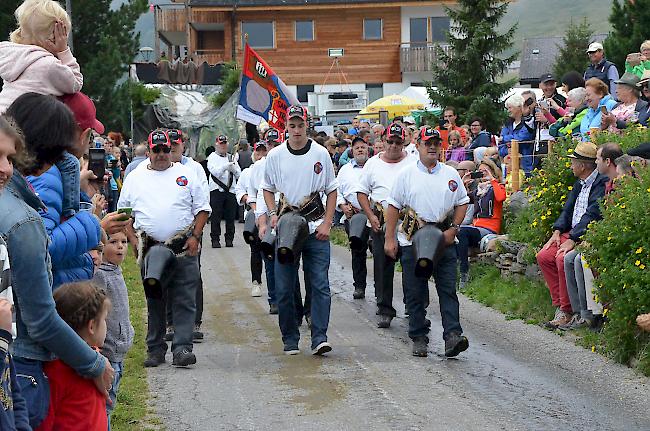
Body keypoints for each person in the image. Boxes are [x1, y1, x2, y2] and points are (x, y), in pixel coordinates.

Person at [0, 112, 114, 428]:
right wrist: (94, 363)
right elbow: (40, 319)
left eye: (9, 157)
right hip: (23, 363)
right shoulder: (22, 221)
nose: (5, 168)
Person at [119, 130, 210, 368]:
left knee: (185, 299)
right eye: (156, 150)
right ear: (148, 151)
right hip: (150, 248)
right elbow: (123, 214)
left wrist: (196, 236)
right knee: (155, 299)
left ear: (172, 150)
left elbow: (203, 208)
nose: (161, 154)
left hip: (182, 247)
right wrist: (132, 240)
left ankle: (182, 349)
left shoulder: (186, 174)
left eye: (165, 150)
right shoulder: (135, 177)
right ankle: (155, 349)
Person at [258, 105, 338, 356]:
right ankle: (290, 337)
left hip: (314, 226)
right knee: (284, 287)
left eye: (300, 125)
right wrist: (272, 214)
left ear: (307, 126)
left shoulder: (321, 153)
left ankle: (319, 337)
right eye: (291, 126)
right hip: (287, 226)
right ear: (285, 127)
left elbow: (332, 189)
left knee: (320, 284)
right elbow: (267, 187)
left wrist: (327, 222)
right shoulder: (275, 156)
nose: (296, 130)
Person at [384, 126, 470, 357]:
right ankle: (418, 336)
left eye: (436, 143)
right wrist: (389, 238)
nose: (432, 147)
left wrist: (455, 228)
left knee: (447, 289)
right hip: (413, 239)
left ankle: (453, 336)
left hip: (443, 238)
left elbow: (462, 201)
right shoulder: (406, 175)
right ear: (418, 146)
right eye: (427, 143)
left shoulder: (450, 174)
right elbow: (393, 207)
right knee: (415, 291)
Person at [536, 142, 607, 328]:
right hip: (571, 232)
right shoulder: (579, 183)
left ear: (583, 165)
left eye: (573, 162)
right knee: (544, 256)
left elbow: (593, 214)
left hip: (585, 234)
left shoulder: (600, 184)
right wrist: (557, 231)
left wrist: (574, 239)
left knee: (562, 259)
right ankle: (560, 306)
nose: (571, 165)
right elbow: (567, 210)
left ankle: (568, 310)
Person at [357, 122, 417, 328]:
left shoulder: (413, 162)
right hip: (381, 220)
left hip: (408, 222)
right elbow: (362, 192)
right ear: (383, 142)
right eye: (390, 142)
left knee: (412, 265)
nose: (393, 146)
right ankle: (384, 308)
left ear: (404, 143)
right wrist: (369, 215)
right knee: (383, 266)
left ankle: (414, 303)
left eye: (397, 143)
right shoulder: (373, 164)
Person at [39, 282, 111, 431]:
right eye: (104, 319)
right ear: (91, 326)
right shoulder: (56, 371)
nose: (106, 324)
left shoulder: (95, 358)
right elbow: (44, 421)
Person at [0, 0, 82, 113]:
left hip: (4, 121)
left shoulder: (11, 56)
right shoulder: (49, 66)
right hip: (23, 127)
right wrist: (63, 50)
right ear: (54, 38)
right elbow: (76, 83)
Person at [91, 230, 133, 427]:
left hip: (120, 352)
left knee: (110, 402)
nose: (120, 246)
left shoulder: (117, 271)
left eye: (124, 242)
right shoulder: (100, 276)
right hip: (108, 352)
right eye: (113, 242)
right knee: (104, 405)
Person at [456, 158, 505, 288]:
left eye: (485, 171)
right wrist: (463, 184)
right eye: (480, 172)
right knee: (453, 231)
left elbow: (501, 197)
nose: (482, 174)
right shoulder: (479, 190)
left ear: (492, 171)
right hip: (476, 228)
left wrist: (492, 179)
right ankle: (452, 271)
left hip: (489, 229)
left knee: (462, 231)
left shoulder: (497, 187)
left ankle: (464, 271)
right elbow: (462, 199)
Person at [249, 128, 281, 314]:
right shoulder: (260, 166)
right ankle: (274, 298)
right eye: (270, 144)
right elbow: (258, 192)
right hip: (267, 215)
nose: (273, 147)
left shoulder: (288, 159)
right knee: (269, 257)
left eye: (276, 143)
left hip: (286, 214)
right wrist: (261, 221)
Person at [336, 136, 370, 299]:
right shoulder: (345, 170)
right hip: (354, 215)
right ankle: (359, 286)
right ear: (352, 151)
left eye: (363, 147)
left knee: (379, 254)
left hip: (375, 215)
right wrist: (342, 205)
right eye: (357, 148)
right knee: (358, 251)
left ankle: (381, 289)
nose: (360, 150)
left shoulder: (375, 166)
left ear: (368, 148)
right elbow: (336, 191)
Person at [235, 145, 263, 297]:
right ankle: (256, 282)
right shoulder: (247, 172)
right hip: (253, 216)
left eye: (263, 151)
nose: (260, 154)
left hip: (270, 215)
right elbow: (239, 190)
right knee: (255, 250)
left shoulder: (272, 169)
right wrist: (248, 199)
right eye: (258, 151)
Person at [207, 134, 241, 248]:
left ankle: (229, 239)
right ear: (216, 144)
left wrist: (234, 169)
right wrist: (226, 167)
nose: (223, 146)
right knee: (216, 217)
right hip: (216, 190)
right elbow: (214, 172)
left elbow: (239, 174)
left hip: (231, 190)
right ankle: (215, 239)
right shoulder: (212, 157)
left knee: (230, 217)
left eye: (225, 143)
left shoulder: (232, 157)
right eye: (221, 143)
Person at [499, 93, 536, 176]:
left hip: (525, 164)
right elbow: (500, 146)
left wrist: (505, 139)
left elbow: (523, 137)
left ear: (519, 107)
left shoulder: (528, 123)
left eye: (510, 108)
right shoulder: (507, 125)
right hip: (508, 164)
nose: (508, 111)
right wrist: (507, 150)